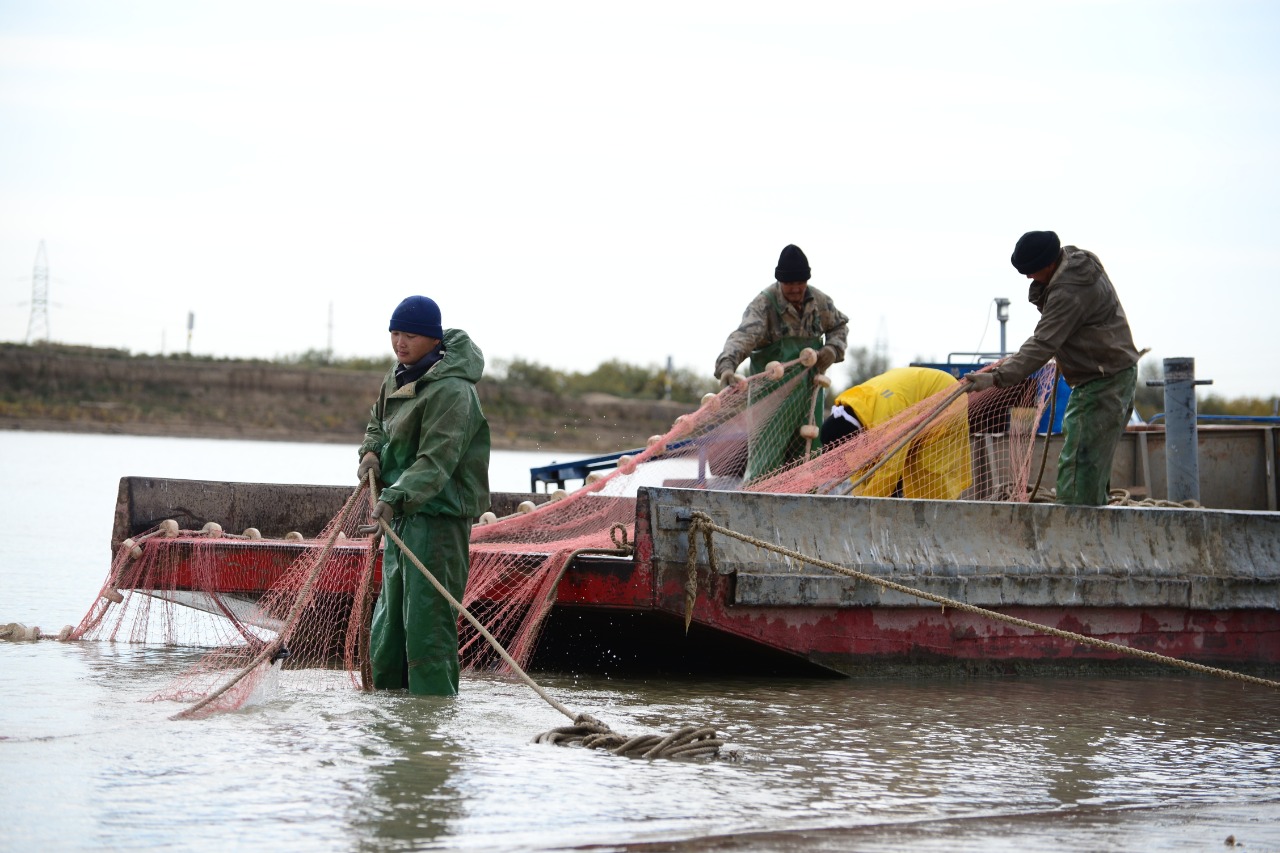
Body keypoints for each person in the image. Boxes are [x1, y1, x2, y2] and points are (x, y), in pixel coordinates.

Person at [356, 295, 491, 695]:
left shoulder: (453, 391)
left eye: (410, 335)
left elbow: (437, 461)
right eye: (395, 333)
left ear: (433, 339)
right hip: (401, 515)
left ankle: (433, 718)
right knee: (390, 624)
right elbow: (377, 423)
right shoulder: (398, 375)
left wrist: (395, 497)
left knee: (428, 626)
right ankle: (391, 712)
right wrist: (369, 453)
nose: (400, 342)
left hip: (438, 516)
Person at [966, 231, 1139, 506]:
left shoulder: (1068, 291)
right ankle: (1091, 515)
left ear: (1048, 264)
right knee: (1090, 461)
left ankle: (1075, 534)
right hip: (1111, 374)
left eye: (1030, 272)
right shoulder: (1076, 259)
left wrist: (996, 377)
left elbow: (1044, 342)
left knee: (1080, 464)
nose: (1027, 278)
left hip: (1103, 381)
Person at [713, 244, 849, 479]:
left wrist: (832, 349)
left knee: (807, 458)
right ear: (779, 282)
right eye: (789, 284)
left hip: (808, 394)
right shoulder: (764, 305)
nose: (796, 289)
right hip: (770, 398)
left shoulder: (819, 302)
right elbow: (743, 337)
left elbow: (839, 326)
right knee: (766, 459)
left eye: (800, 283)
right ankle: (756, 506)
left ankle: (805, 508)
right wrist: (727, 366)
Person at [820, 366, 972, 499]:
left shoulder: (887, 416)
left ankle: (932, 525)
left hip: (946, 398)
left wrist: (864, 505)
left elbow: (890, 467)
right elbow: (861, 469)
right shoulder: (857, 411)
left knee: (927, 475)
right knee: (887, 472)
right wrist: (860, 496)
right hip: (915, 405)